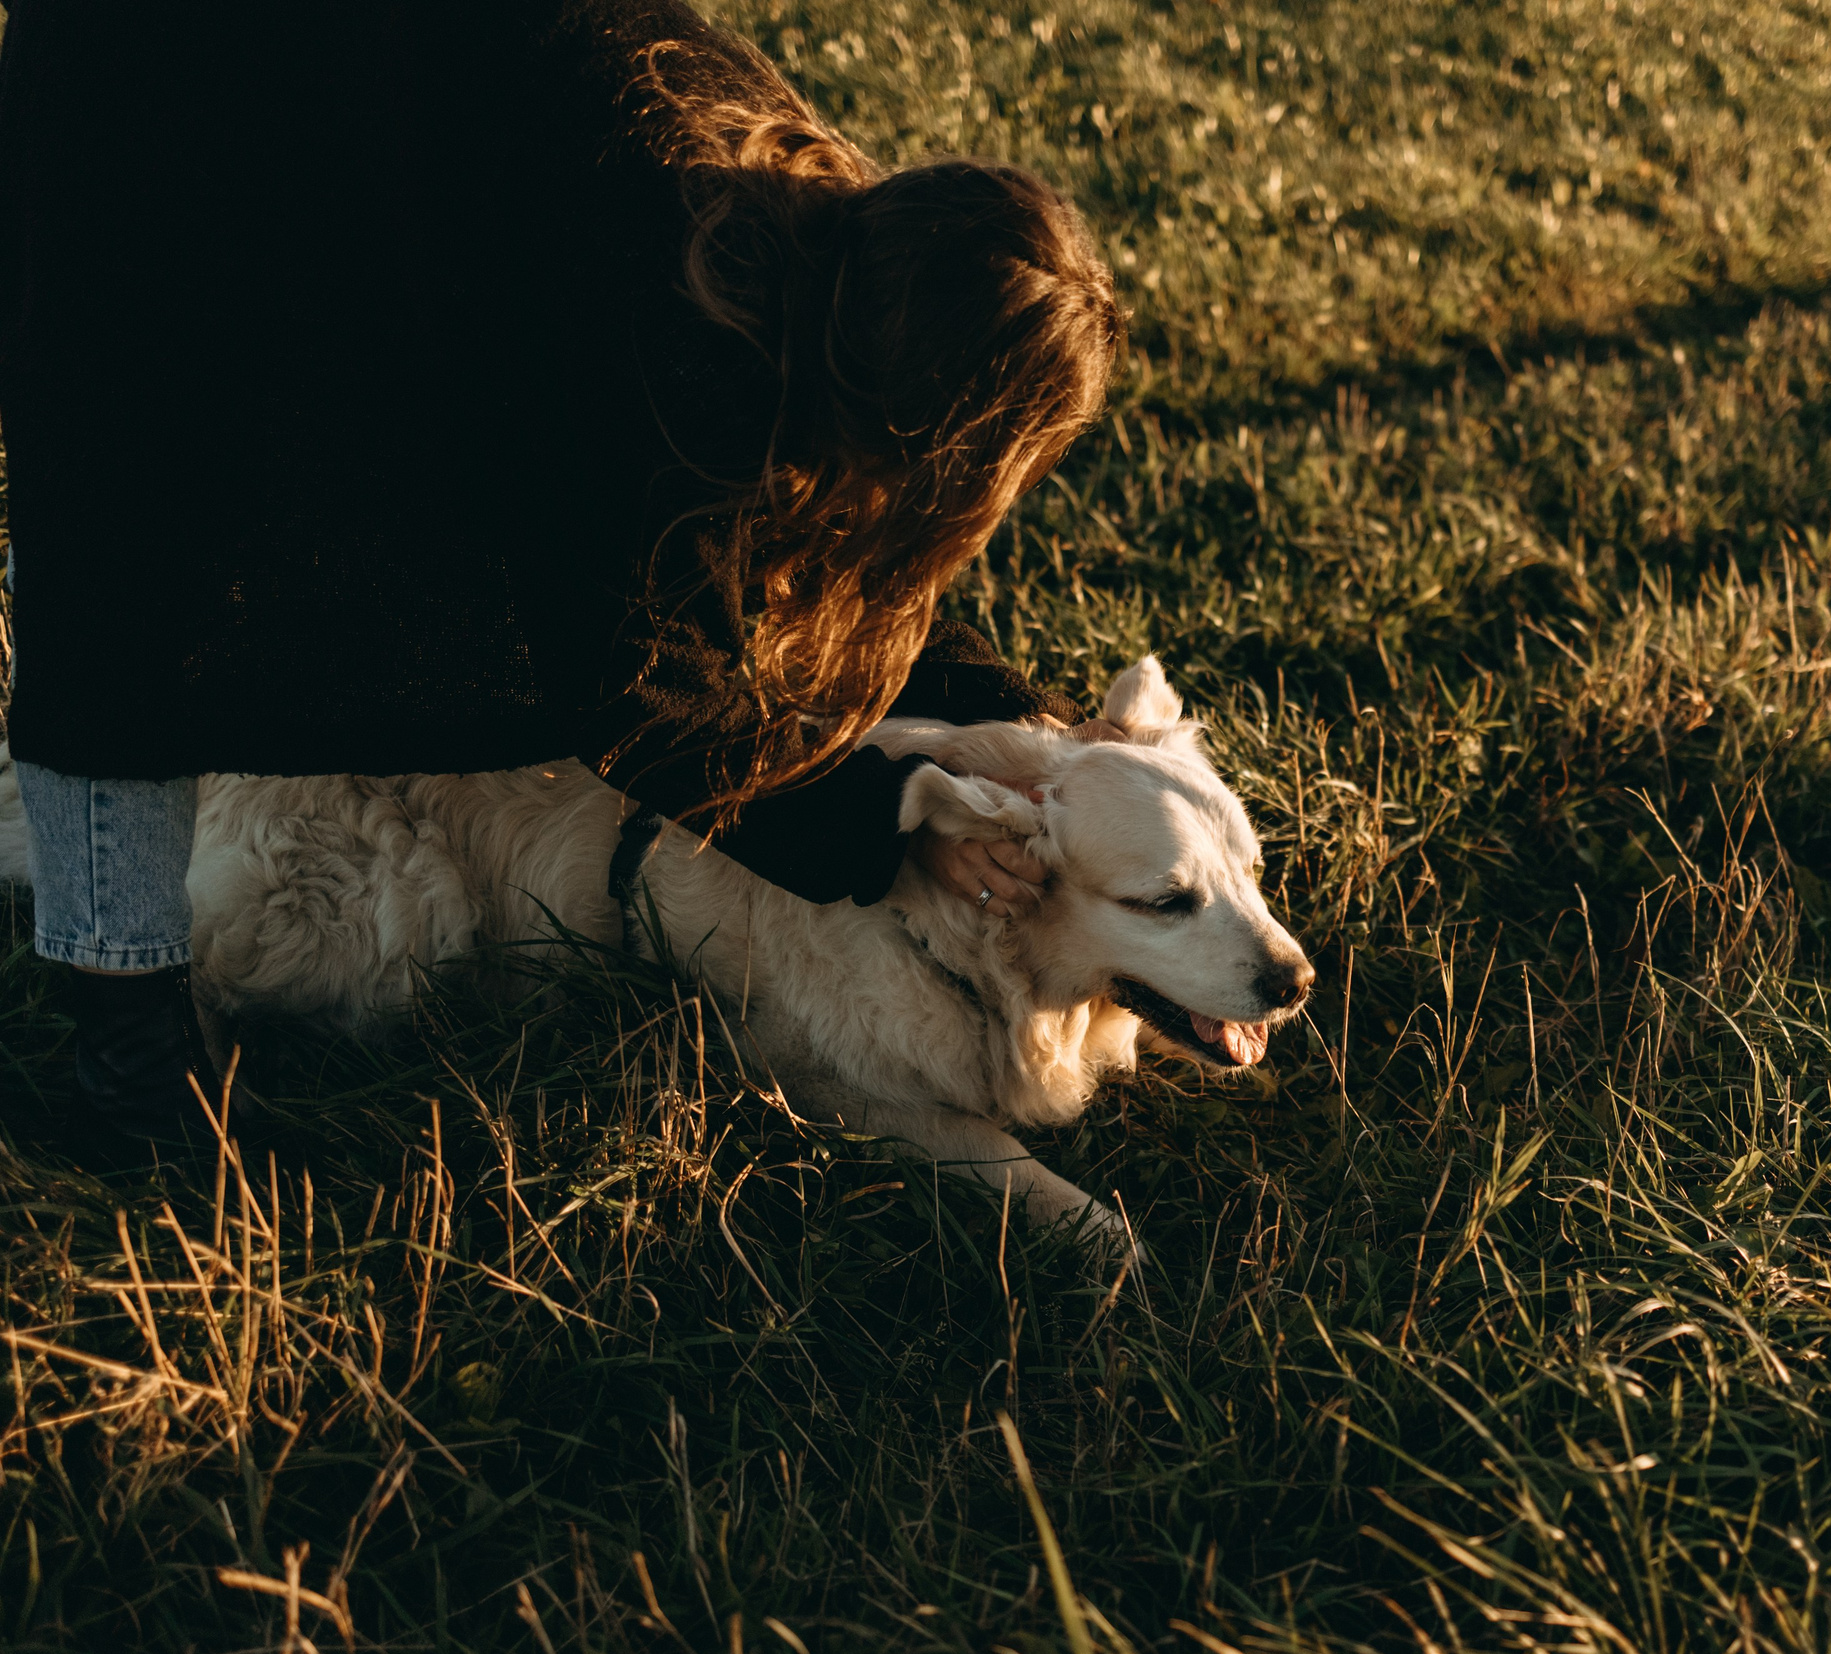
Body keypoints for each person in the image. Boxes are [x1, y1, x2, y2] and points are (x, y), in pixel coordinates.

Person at [0, 0, 1125, 1151]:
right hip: (154, 85)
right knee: (130, 552)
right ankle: (131, 1071)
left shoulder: (821, 254)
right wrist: (887, 827)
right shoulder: (652, 320)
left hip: (367, 112)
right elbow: (640, 689)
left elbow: (832, 570)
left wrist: (1021, 719)